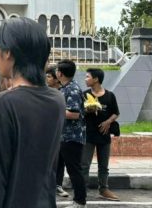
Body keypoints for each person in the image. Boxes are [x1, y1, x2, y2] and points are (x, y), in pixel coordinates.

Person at [0, 17, 65, 208]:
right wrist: (6, 87)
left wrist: (1, 94)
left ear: (8, 53)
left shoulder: (4, 103)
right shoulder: (57, 99)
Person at [81, 68, 120, 202]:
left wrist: (108, 122)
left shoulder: (110, 96)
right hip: (88, 135)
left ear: (96, 79)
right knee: (84, 164)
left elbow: (116, 113)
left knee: (103, 165)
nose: (85, 79)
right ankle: (82, 190)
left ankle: (104, 189)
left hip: (104, 135)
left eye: (87, 77)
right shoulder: (84, 95)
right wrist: (86, 110)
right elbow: (78, 113)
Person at [56, 59, 87, 208]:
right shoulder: (65, 88)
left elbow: (74, 114)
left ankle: (80, 202)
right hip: (64, 136)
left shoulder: (72, 89)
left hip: (72, 137)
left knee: (74, 170)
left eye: (57, 70)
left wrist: (54, 110)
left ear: (60, 73)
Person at [45, 66, 68, 198]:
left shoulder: (63, 93)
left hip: (62, 132)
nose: (46, 79)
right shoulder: (44, 92)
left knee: (60, 161)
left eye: (49, 77)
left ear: (56, 79)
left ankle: (57, 185)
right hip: (47, 131)